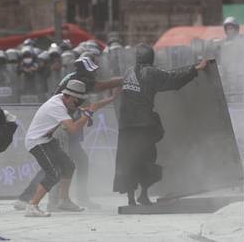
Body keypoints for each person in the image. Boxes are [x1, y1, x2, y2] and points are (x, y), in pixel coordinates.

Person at [14, 56, 123, 210]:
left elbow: (82, 104)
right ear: (83, 74)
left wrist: (103, 104)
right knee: (55, 167)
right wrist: (123, 80)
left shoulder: (75, 82)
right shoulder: (79, 83)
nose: (95, 75)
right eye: (92, 72)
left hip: (63, 125)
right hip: (60, 128)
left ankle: (60, 199)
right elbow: (99, 88)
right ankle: (50, 201)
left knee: (68, 163)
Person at [113, 44, 208, 206]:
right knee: (147, 159)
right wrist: (196, 69)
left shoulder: (129, 71)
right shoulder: (150, 72)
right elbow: (173, 79)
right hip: (142, 125)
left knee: (127, 160)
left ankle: (130, 198)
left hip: (125, 126)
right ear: (151, 58)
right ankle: (143, 194)